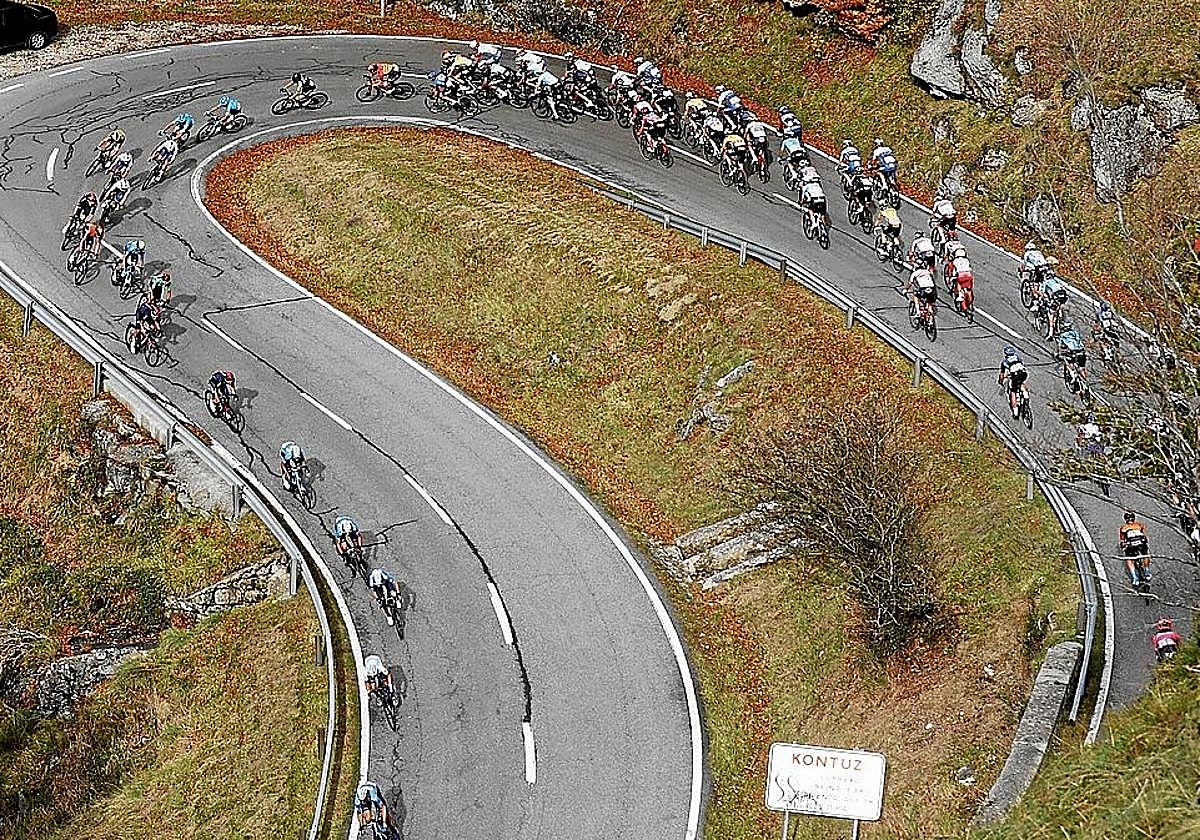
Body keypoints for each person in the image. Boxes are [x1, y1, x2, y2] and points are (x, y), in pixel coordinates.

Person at [1119, 512, 1151, 585]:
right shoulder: (1139, 525)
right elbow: (1144, 536)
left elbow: (1122, 539)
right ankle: (1147, 572)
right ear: (1134, 519)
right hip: (1141, 542)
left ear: (1125, 520)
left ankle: (1135, 578)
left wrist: (1123, 545)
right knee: (1145, 554)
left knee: (1129, 559)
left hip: (1131, 544)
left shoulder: (1123, 527)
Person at [997, 345, 1028, 420]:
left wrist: (1001, 381)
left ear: (1005, 354)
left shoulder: (1004, 362)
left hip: (1015, 375)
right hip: (1023, 373)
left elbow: (1001, 374)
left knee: (1013, 392)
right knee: (1021, 382)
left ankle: (1015, 412)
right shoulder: (1018, 357)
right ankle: (1025, 394)